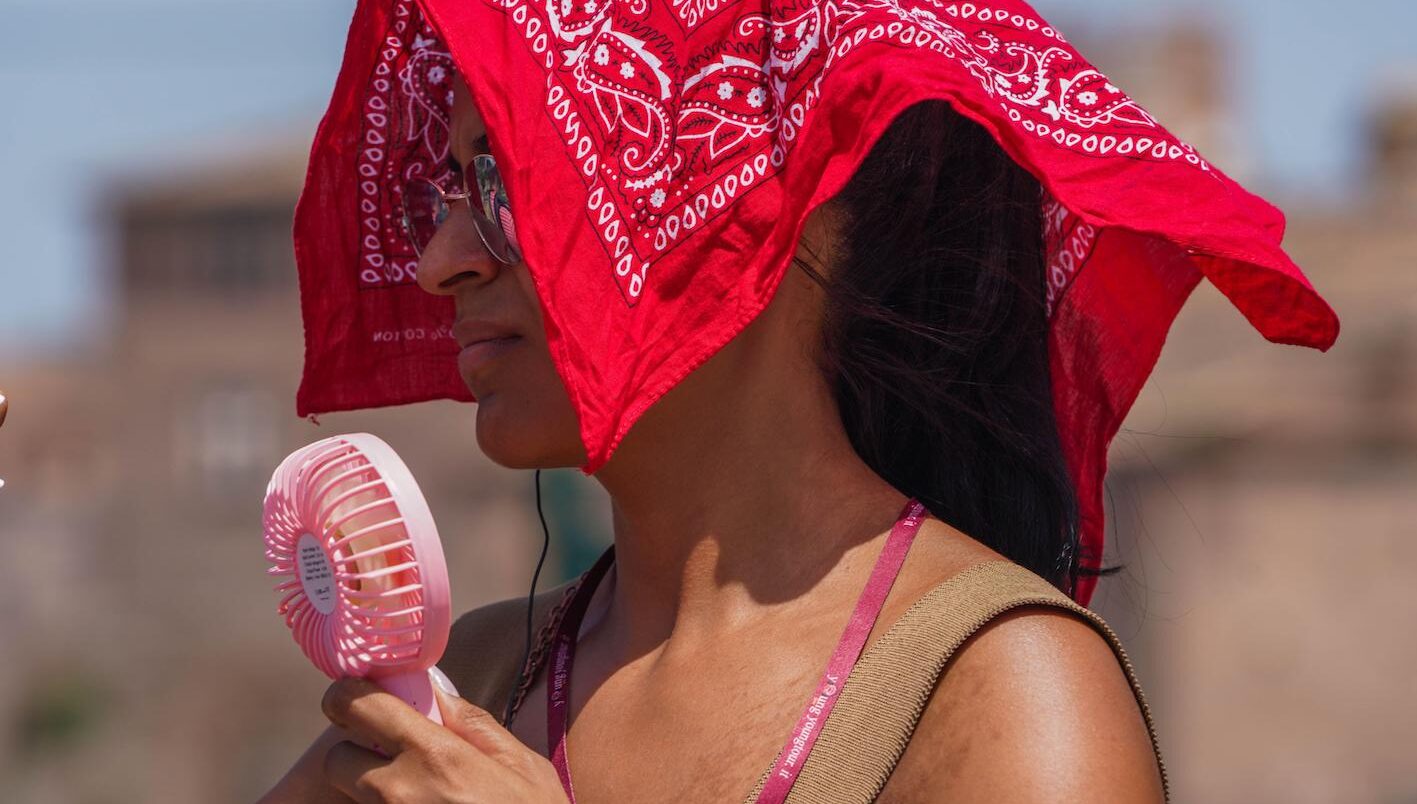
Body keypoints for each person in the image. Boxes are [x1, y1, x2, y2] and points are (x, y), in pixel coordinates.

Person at [265, 0, 1337, 800]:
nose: (441, 261)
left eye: (508, 181)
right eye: (441, 194)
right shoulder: (467, 687)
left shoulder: (1000, 693)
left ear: (761, 210)